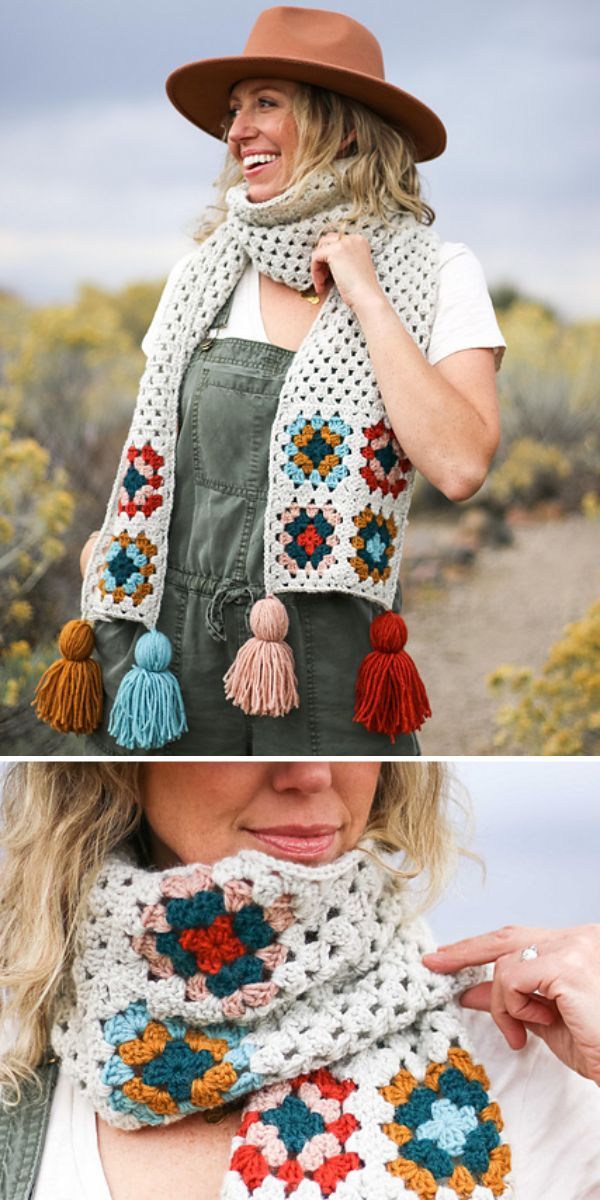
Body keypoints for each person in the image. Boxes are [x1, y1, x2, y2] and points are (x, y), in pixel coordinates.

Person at [33, 7, 506, 756]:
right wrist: (105, 549)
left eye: (266, 104)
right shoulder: (203, 274)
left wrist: (366, 295)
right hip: (169, 644)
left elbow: (459, 464)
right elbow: (154, 445)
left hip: (325, 652)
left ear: (342, 127)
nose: (236, 131)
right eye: (234, 110)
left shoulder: (439, 273)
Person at [0, 760, 598, 1200]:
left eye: (350, 726)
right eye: (238, 737)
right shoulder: (17, 1055)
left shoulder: (523, 1049)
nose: (310, 772)